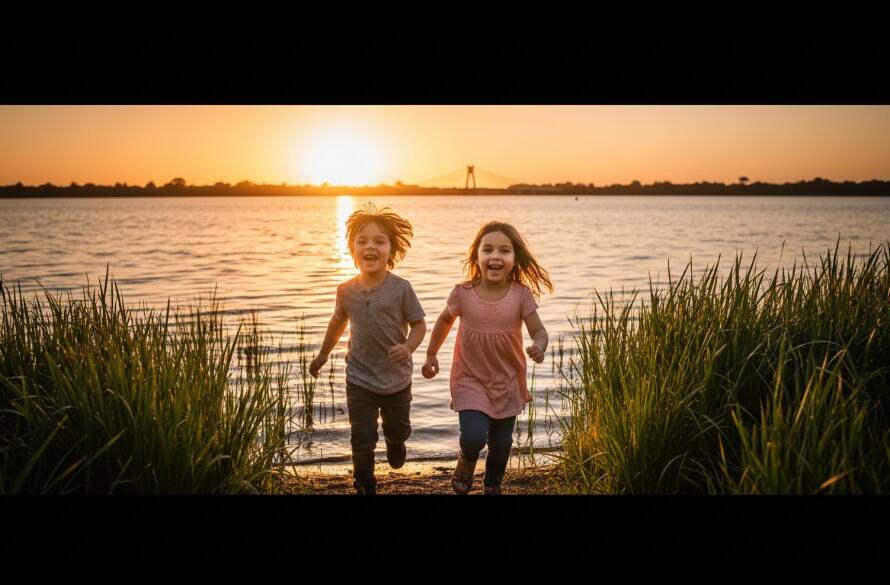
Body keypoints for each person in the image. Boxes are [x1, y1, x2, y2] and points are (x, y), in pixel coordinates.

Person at [423, 221, 552, 495]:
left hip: (507, 381)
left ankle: (492, 484)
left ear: (515, 259)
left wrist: (539, 345)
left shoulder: (521, 295)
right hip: (470, 379)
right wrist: (431, 354)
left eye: (504, 250)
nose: (495, 256)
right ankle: (467, 459)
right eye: (488, 249)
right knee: (473, 437)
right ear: (477, 257)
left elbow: (538, 330)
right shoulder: (463, 293)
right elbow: (444, 321)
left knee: (502, 444)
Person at [310, 203, 426, 495]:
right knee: (361, 437)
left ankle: (396, 443)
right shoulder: (345, 290)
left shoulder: (401, 289)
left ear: (392, 249)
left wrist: (408, 347)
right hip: (359, 378)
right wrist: (323, 354)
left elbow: (420, 326)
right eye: (362, 241)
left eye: (379, 241)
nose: (370, 247)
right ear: (351, 249)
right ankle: (364, 484)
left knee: (397, 429)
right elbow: (337, 322)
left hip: (397, 380)